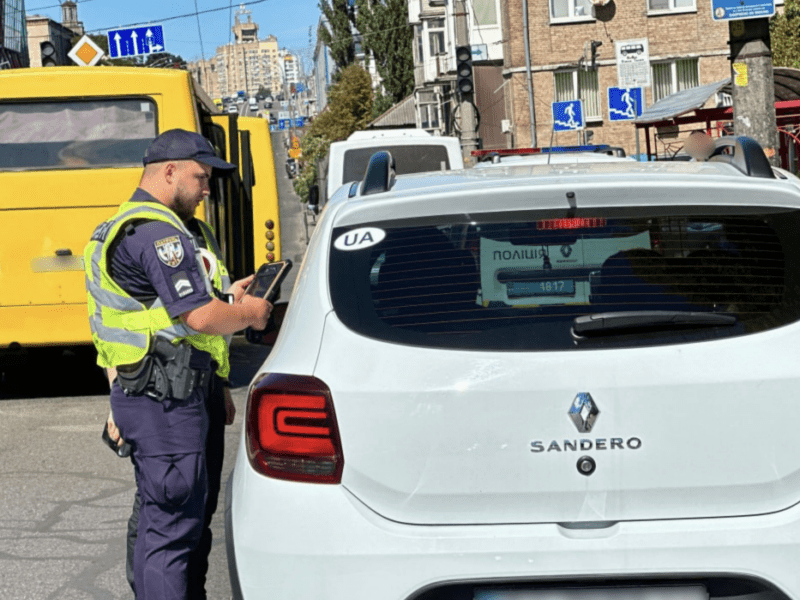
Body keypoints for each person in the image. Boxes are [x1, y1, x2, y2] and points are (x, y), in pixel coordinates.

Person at [84, 128, 271, 600]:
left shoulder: (185, 229)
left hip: (190, 390)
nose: (208, 189)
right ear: (168, 172)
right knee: (168, 527)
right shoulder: (152, 232)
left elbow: (186, 310)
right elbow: (199, 316)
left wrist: (221, 381)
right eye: (200, 177)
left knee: (189, 517)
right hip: (160, 397)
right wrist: (248, 314)